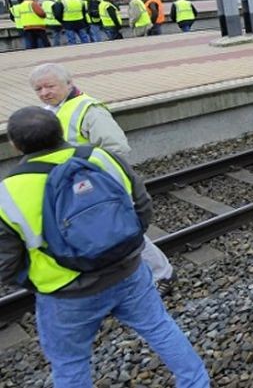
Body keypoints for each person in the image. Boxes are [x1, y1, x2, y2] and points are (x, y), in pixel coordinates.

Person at [0, 106, 209, 387]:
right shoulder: (101, 157)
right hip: (129, 271)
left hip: (65, 293)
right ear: (60, 130)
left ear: (14, 144)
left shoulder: (9, 192)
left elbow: (6, 264)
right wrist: (127, 248)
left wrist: (35, 281)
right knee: (160, 328)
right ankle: (196, 383)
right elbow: (142, 207)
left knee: (70, 363)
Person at [29, 63, 176, 290]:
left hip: (97, 186)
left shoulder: (88, 109)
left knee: (122, 231)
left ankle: (161, 274)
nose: (44, 93)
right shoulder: (49, 112)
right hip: (72, 188)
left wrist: (98, 183)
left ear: (69, 83)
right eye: (38, 89)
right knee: (107, 231)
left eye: (49, 86)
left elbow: (116, 149)